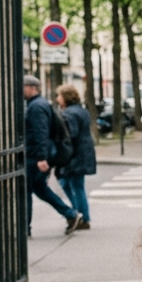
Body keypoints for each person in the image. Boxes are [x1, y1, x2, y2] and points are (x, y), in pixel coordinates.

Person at [23, 75, 82, 236]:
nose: (21, 90)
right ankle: (70, 214)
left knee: (26, 189)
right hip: (39, 154)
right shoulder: (40, 104)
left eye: (24, 87)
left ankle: (24, 228)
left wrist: (41, 157)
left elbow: (41, 132)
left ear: (31, 88)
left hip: (35, 156)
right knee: (39, 188)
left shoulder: (36, 106)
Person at [55, 84, 96, 230]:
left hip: (74, 155)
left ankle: (82, 217)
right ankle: (80, 215)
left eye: (59, 96)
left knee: (75, 186)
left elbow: (70, 135)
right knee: (71, 184)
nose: (57, 99)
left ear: (65, 97)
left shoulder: (69, 113)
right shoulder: (81, 110)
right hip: (83, 153)